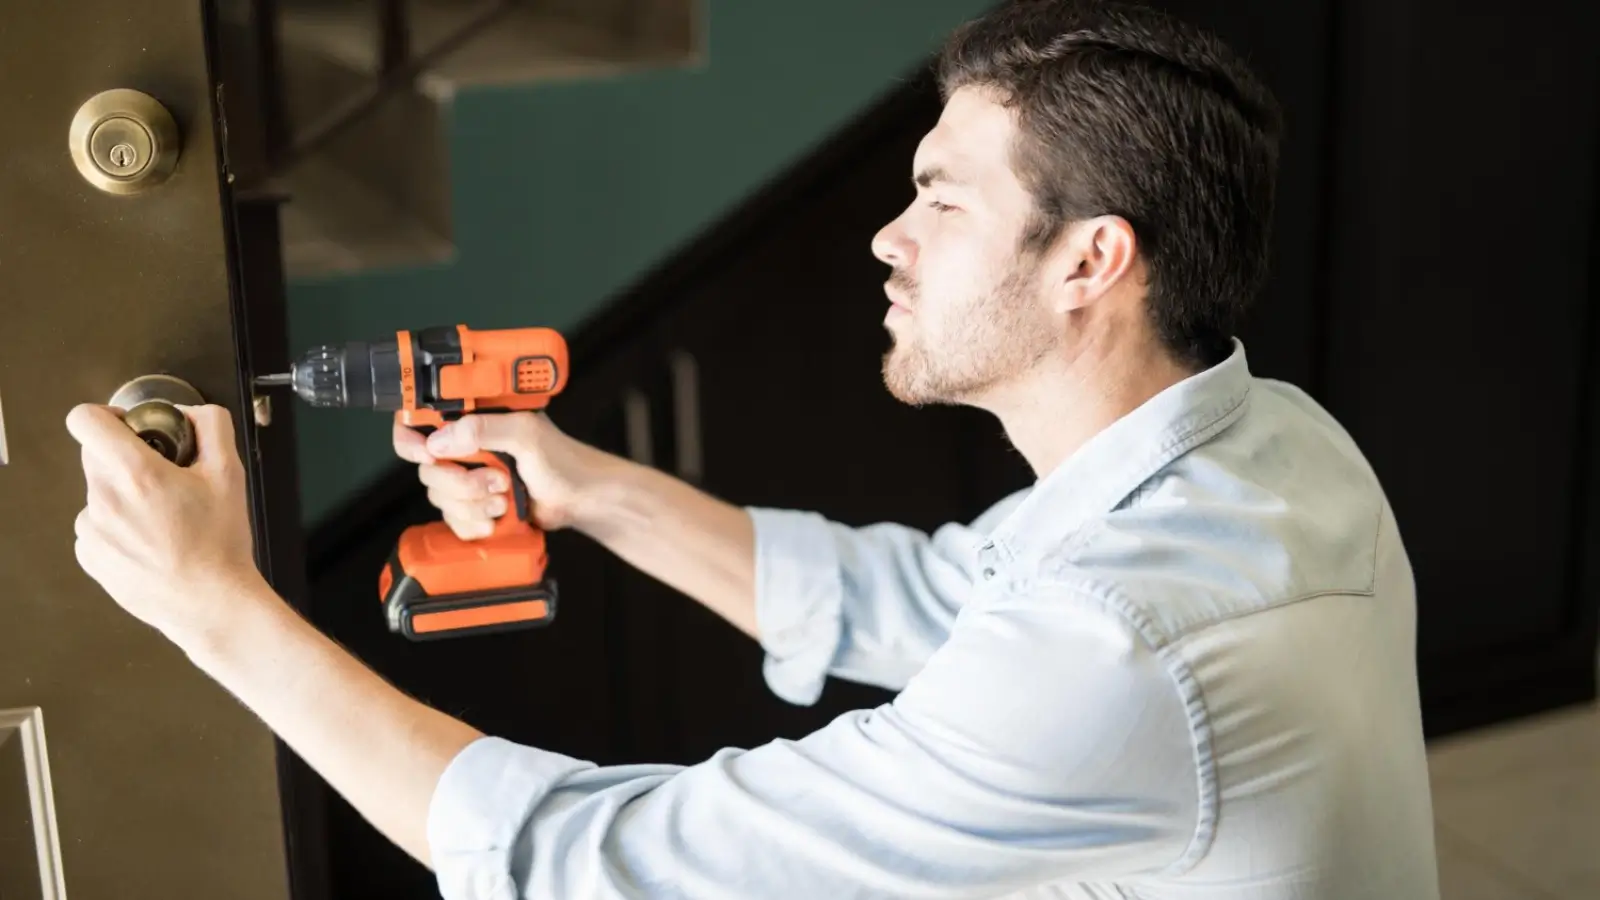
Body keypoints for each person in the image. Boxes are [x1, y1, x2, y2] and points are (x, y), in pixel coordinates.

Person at [66, 1, 1441, 897]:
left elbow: (589, 859)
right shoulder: (1276, 445)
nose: (887, 238)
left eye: (940, 202)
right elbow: (925, 602)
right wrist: (594, 489)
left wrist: (213, 608)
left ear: (1093, 260)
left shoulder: (1118, 647)